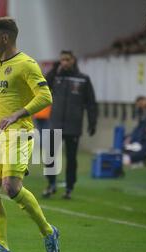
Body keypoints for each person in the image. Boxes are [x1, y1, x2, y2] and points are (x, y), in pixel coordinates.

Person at [0, 17, 59, 252]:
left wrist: (18, 113)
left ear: (5, 38)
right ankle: (1, 246)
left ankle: (48, 231)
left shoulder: (27, 64)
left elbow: (45, 97)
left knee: (11, 187)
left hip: (19, 134)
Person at [43, 50, 98, 199]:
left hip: (73, 125)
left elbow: (91, 103)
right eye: (62, 60)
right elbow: (43, 85)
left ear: (73, 60)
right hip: (55, 123)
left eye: (67, 59)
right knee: (50, 156)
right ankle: (51, 184)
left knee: (72, 158)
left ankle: (69, 187)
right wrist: (54, 69)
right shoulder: (56, 77)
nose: (64, 62)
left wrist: (92, 122)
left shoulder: (83, 79)